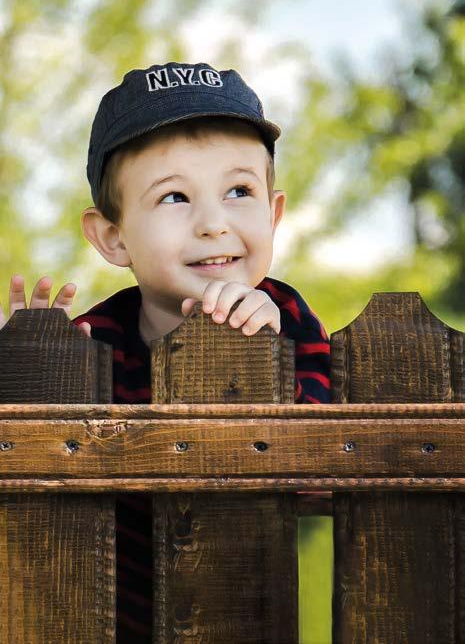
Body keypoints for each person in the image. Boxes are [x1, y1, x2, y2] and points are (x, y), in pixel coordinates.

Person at [0, 62, 330, 641]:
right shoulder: (90, 344)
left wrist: (272, 357)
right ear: (114, 236)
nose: (212, 224)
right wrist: (26, 371)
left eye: (239, 191)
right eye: (174, 196)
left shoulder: (290, 319)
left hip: (243, 612)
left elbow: (322, 477)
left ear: (273, 214)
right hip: (89, 617)